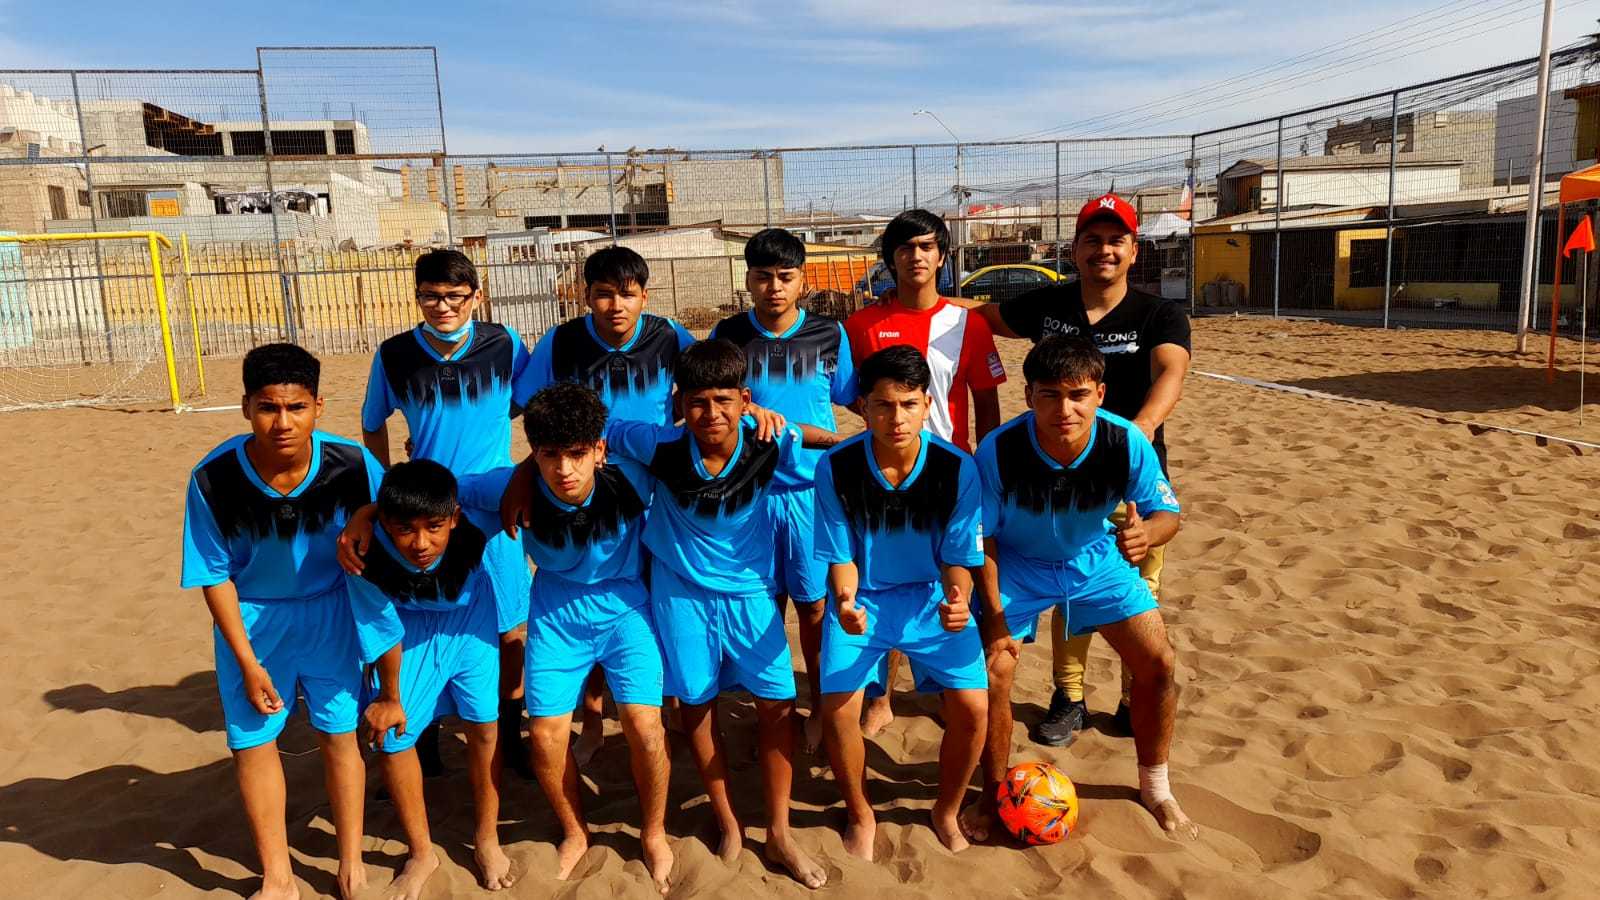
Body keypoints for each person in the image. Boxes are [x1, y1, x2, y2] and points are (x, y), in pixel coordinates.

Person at [957, 192, 1192, 746]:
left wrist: (1139, 427)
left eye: (1116, 241)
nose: (1103, 251)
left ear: (1134, 250)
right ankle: (1069, 697)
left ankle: (1133, 699)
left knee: (1132, 585)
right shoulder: (1051, 305)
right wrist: (921, 301)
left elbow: (1171, 372)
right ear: (1075, 248)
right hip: (1047, 465)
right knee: (1063, 582)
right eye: (1092, 240)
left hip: (1123, 474)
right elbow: (983, 315)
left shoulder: (1158, 313)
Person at [602, 339, 836, 889]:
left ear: (745, 400)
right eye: (698, 402)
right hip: (680, 596)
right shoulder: (658, 444)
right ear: (680, 404)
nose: (711, 414)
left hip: (751, 594)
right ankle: (728, 820)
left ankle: (779, 830)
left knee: (778, 704)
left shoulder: (768, 441)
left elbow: (822, 443)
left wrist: (781, 420)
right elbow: (602, 429)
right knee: (697, 706)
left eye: (725, 401)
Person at [964, 337, 1196, 840]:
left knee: (1159, 663)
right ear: (1029, 395)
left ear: (1100, 394)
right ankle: (992, 793)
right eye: (1049, 395)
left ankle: (1156, 787)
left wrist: (1148, 534)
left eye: (1078, 395)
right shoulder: (999, 450)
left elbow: (1167, 513)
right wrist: (996, 618)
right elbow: (983, 540)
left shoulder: (1125, 441)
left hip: (1094, 562)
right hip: (1018, 565)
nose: (1064, 409)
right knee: (993, 674)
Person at [180, 343, 383, 900]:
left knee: (339, 735)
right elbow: (214, 576)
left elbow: (390, 509)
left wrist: (366, 514)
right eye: (268, 407)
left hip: (331, 612)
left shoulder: (351, 463)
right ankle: (277, 876)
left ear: (319, 406)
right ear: (246, 406)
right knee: (253, 742)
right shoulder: (212, 477)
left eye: (296, 407)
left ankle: (350, 862)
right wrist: (247, 662)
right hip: (253, 620)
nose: (283, 422)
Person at [466, 383, 674, 893]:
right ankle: (576, 831)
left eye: (577, 454)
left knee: (645, 725)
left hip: (627, 606)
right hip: (557, 610)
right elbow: (440, 489)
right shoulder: (511, 487)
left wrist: (759, 412)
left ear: (599, 449)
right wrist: (365, 515)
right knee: (544, 736)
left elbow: (704, 442)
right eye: (549, 455)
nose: (564, 469)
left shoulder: (635, 476)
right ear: (532, 453)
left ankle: (653, 832)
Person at [514, 245, 693, 764]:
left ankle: (669, 705)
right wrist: (524, 473)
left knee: (657, 599)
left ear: (645, 295)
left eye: (627, 293)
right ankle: (592, 720)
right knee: (596, 593)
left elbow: (704, 390)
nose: (616, 305)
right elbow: (527, 409)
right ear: (585, 295)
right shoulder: (562, 342)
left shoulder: (669, 336)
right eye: (603, 294)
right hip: (585, 494)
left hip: (654, 495)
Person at [361, 248, 535, 776]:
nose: (443, 306)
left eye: (455, 296)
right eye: (431, 296)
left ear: (476, 296)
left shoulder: (505, 344)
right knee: (421, 620)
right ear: (417, 297)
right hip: (428, 512)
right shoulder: (394, 354)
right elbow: (372, 423)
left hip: (494, 507)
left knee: (511, 626)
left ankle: (510, 733)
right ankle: (426, 735)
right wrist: (386, 488)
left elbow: (523, 403)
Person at [813, 346, 988, 859]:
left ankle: (946, 809)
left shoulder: (957, 468)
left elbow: (958, 559)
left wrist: (960, 599)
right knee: (837, 711)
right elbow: (841, 558)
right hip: (864, 599)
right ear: (863, 407)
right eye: (884, 405)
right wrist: (845, 601)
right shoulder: (836, 466)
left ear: (928, 404)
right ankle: (861, 813)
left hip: (931, 598)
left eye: (909, 404)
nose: (897, 418)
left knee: (974, 708)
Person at [843, 208, 1006, 735]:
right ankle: (881, 697)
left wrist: (984, 467)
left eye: (927, 246)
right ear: (889, 259)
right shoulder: (861, 326)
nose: (916, 255)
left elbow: (987, 401)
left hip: (952, 476)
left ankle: (938, 685)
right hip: (882, 475)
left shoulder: (968, 324)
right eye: (905, 247)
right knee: (883, 584)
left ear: (942, 256)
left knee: (952, 578)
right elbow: (853, 397)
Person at [711, 227, 856, 750]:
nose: (774, 287)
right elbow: (712, 397)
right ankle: (772, 709)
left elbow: (851, 398)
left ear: (801, 280)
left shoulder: (828, 333)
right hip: (747, 495)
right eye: (763, 276)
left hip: (809, 495)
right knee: (761, 606)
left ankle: (817, 706)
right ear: (747, 279)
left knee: (814, 607)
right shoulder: (728, 334)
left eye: (785, 276)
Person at [345, 460, 512, 897]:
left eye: (434, 527)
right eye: (405, 530)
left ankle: (487, 837)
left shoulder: (477, 510)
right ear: (385, 523)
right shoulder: (361, 552)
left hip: (472, 622)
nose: (421, 543)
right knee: (391, 734)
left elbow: (532, 476)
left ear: (454, 517)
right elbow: (381, 629)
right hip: (408, 628)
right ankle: (421, 852)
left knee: (484, 726)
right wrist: (390, 696)